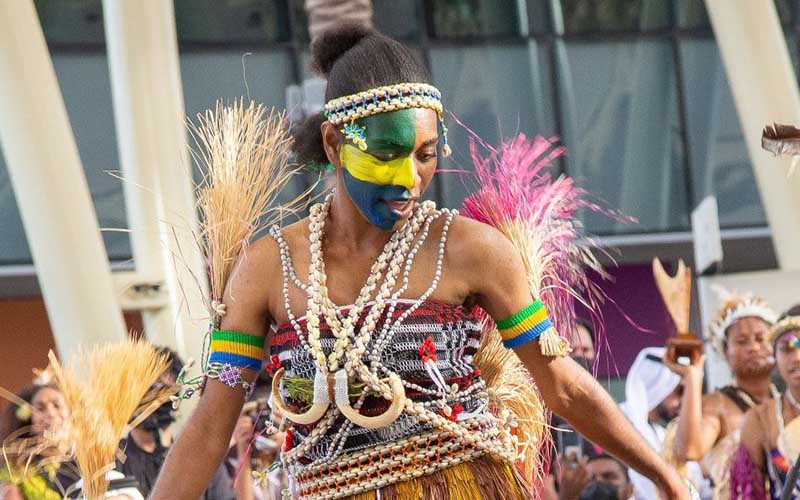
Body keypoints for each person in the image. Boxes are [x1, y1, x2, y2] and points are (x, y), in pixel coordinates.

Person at [150, 25, 689, 500]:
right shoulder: (268, 267)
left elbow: (563, 386)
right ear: (335, 144)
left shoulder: (472, 249)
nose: (408, 177)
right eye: (386, 153)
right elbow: (209, 426)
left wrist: (661, 473)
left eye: (426, 154)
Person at [667, 289, 778, 499]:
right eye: (742, 341)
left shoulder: (786, 402)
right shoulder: (717, 405)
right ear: (725, 351)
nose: (754, 347)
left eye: (761, 338)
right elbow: (689, 449)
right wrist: (693, 376)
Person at [117, 347, 238, 500]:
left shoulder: (201, 459)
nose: (153, 399)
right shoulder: (110, 464)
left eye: (162, 389)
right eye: (146, 389)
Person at [730, 305, 800, 499]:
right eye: (786, 349)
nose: (797, 358)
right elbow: (749, 493)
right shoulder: (758, 420)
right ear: (774, 357)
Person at [0, 382, 76, 499]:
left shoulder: (90, 463)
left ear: (72, 415)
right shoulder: (16, 473)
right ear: (30, 422)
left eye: (57, 405)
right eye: (40, 409)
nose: (50, 414)